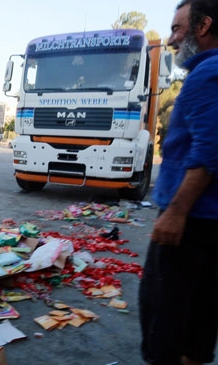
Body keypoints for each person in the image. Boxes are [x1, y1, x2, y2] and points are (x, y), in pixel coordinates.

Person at [139, 1, 218, 364]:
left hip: (190, 224)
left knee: (163, 316)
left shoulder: (208, 73)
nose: (170, 40)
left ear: (203, 27)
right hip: (206, 221)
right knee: (199, 316)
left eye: (177, 29)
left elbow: (209, 151)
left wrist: (175, 213)